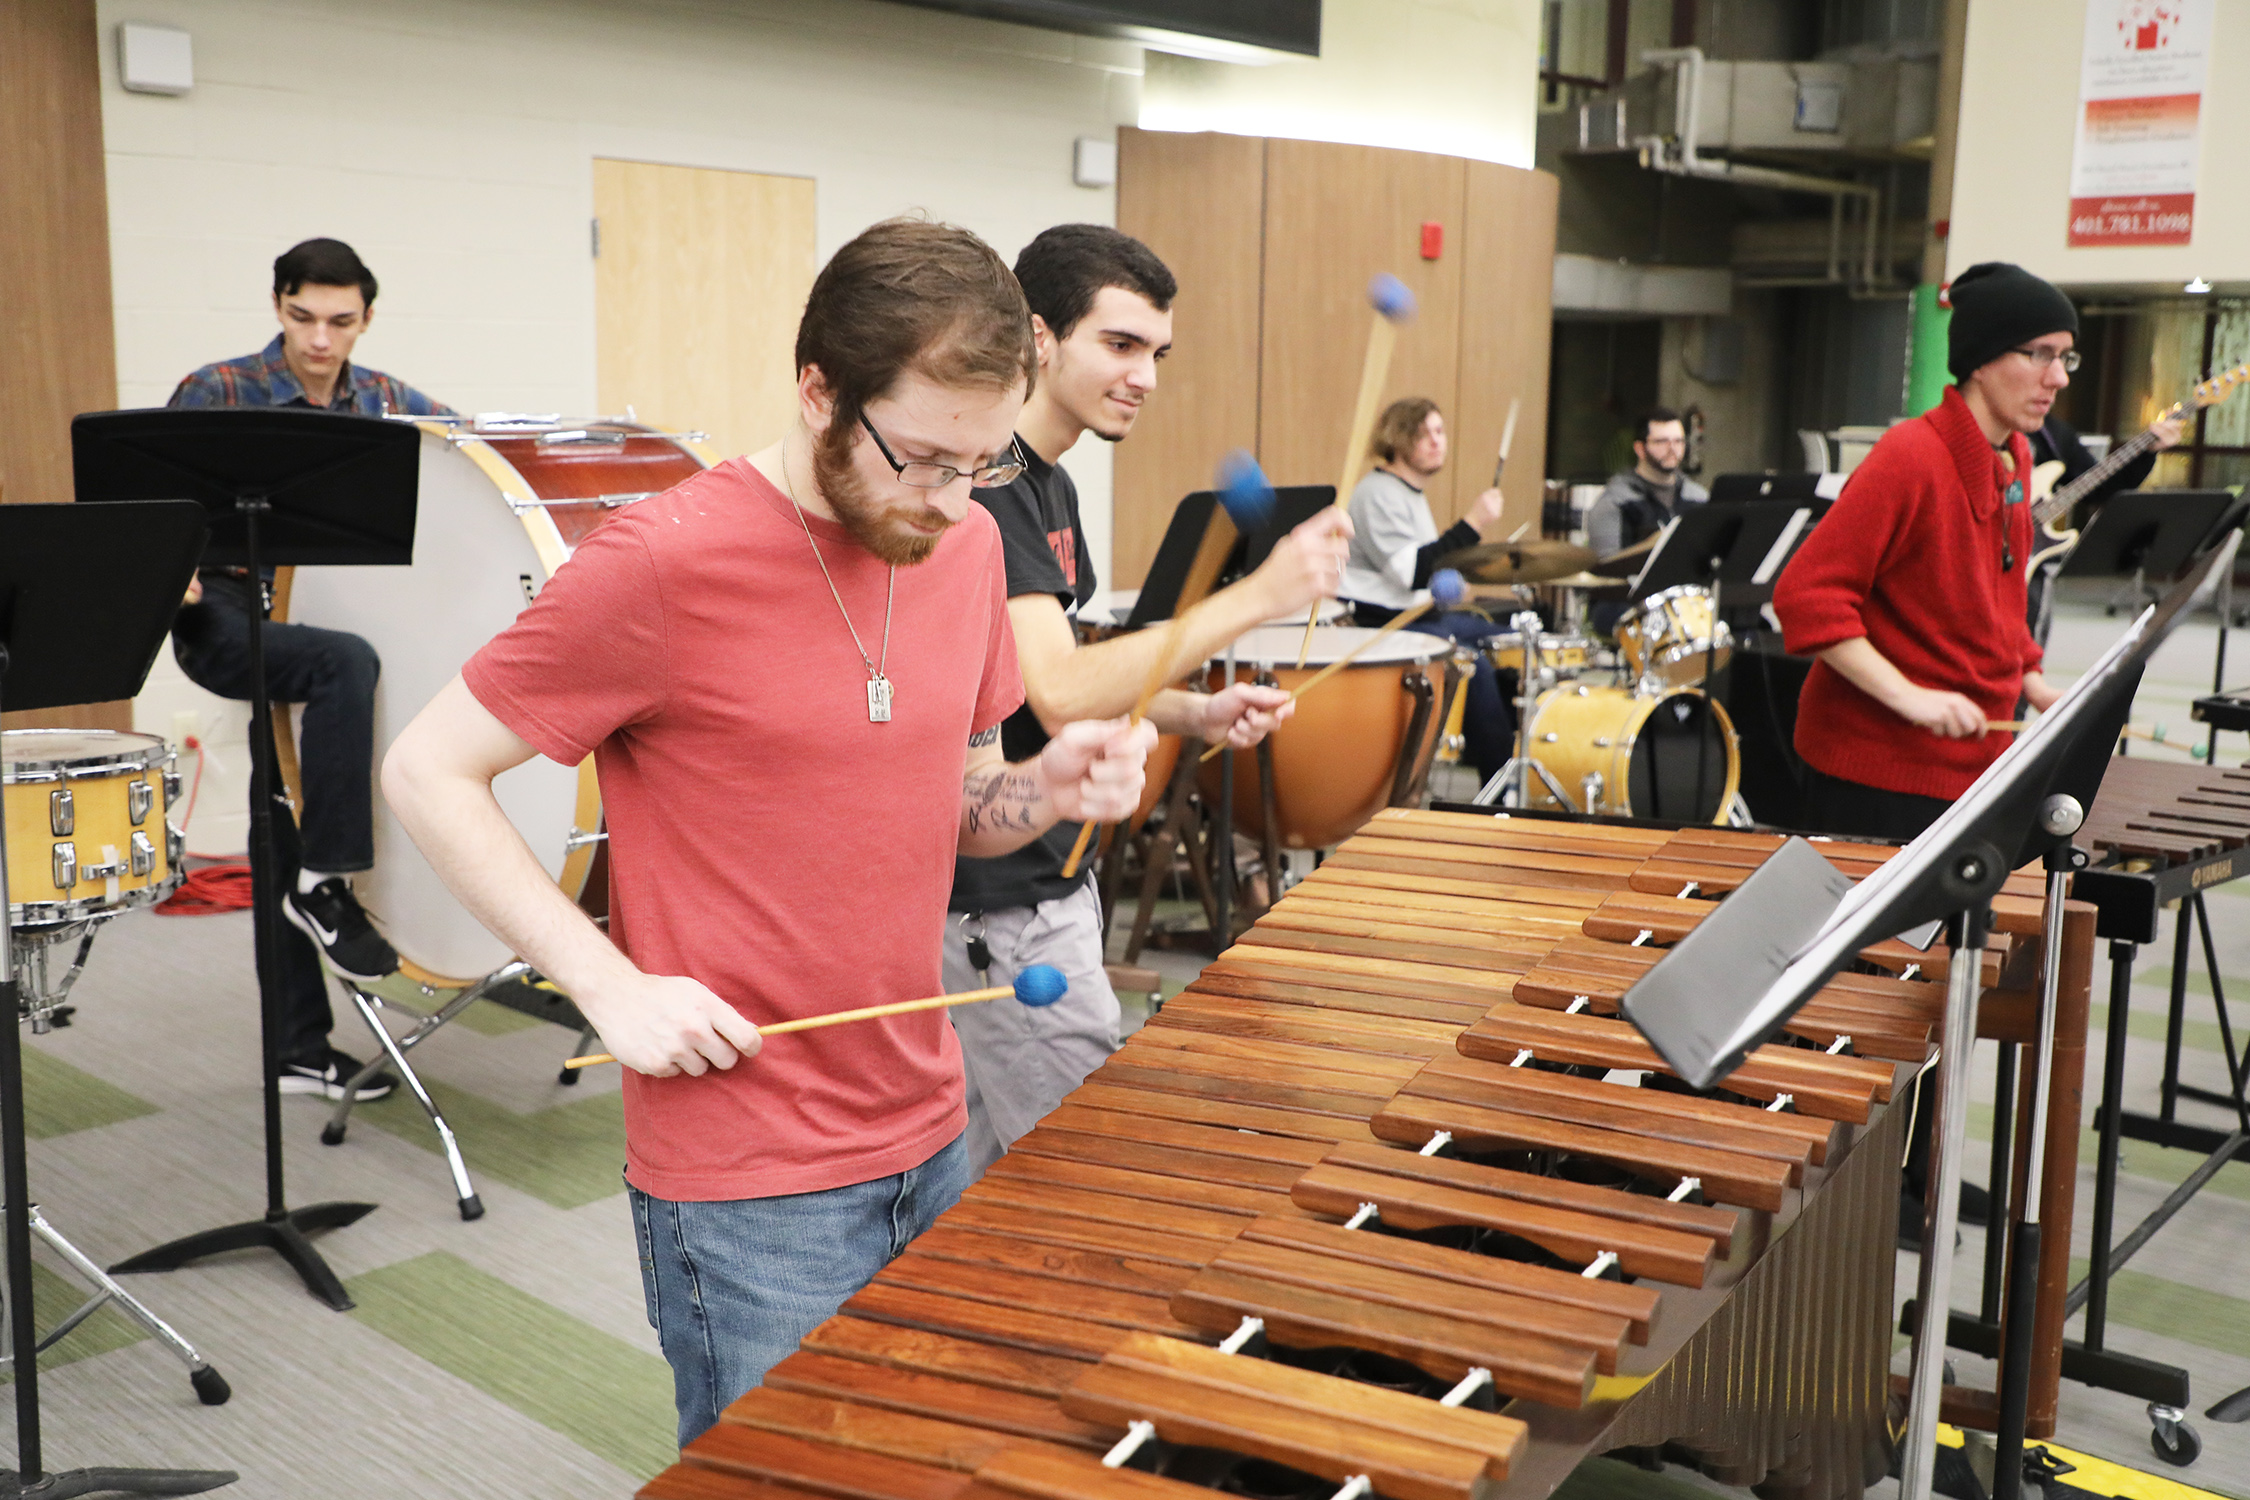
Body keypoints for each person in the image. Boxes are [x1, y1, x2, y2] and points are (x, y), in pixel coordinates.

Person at [379, 218, 1153, 1446]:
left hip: (932, 1124)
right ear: (819, 392)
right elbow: (426, 769)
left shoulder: (959, 554)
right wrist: (602, 983)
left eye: (982, 465)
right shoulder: (663, 563)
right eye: (922, 460)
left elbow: (957, 805)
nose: (952, 502)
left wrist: (1050, 786)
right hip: (748, 1185)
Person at [943, 224, 1352, 1178]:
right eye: (1121, 346)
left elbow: (1048, 661)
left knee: (974, 1192)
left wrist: (1189, 712)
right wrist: (1258, 595)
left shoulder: (1050, 486)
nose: (1147, 376)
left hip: (1038, 881)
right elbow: (1058, 687)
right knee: (1091, 1176)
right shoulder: (990, 488)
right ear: (1039, 338)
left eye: (1156, 353)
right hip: (1001, 900)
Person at [1773, 261, 2076, 1246]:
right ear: (1984, 359)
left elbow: (1996, 597)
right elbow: (1809, 598)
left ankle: (1919, 1180)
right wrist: (1909, 695)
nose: (2056, 376)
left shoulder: (2013, 458)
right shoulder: (1910, 457)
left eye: (2065, 358)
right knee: (1877, 1003)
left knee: (1950, 988)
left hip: (1966, 773)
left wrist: (2029, 676)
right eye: (2040, 355)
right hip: (1871, 774)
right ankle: (1852, 1202)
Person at [168, 237, 457, 1100]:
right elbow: (139, 499)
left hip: (319, 620)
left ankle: (298, 1047)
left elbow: (470, 455)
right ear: (278, 306)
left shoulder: (387, 402)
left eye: (339, 321)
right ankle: (327, 882)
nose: (320, 341)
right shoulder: (219, 390)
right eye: (302, 318)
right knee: (343, 667)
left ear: (366, 318)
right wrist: (165, 559)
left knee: (273, 815)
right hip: (224, 617)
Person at [1338, 397, 1512, 781]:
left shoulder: (1407, 492)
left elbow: (1427, 568)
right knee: (1472, 664)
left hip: (1418, 616)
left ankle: (1523, 760)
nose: (1437, 441)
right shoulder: (1378, 493)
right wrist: (1472, 523)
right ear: (1397, 440)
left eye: (1439, 431)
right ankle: (1500, 786)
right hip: (1380, 624)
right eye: (1423, 434)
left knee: (1513, 641)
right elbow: (1411, 573)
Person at [2023, 409, 2183, 646]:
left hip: (2029, 565)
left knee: (2026, 646)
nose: (2057, 379)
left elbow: (2101, 488)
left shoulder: (2054, 433)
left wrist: (2146, 451)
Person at [1584, 408, 1707, 633]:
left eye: (1679, 441)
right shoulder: (1614, 501)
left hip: (1685, 600)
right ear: (1640, 448)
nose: (1673, 449)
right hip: (1626, 602)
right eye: (1662, 441)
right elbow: (1605, 570)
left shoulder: (1699, 497)